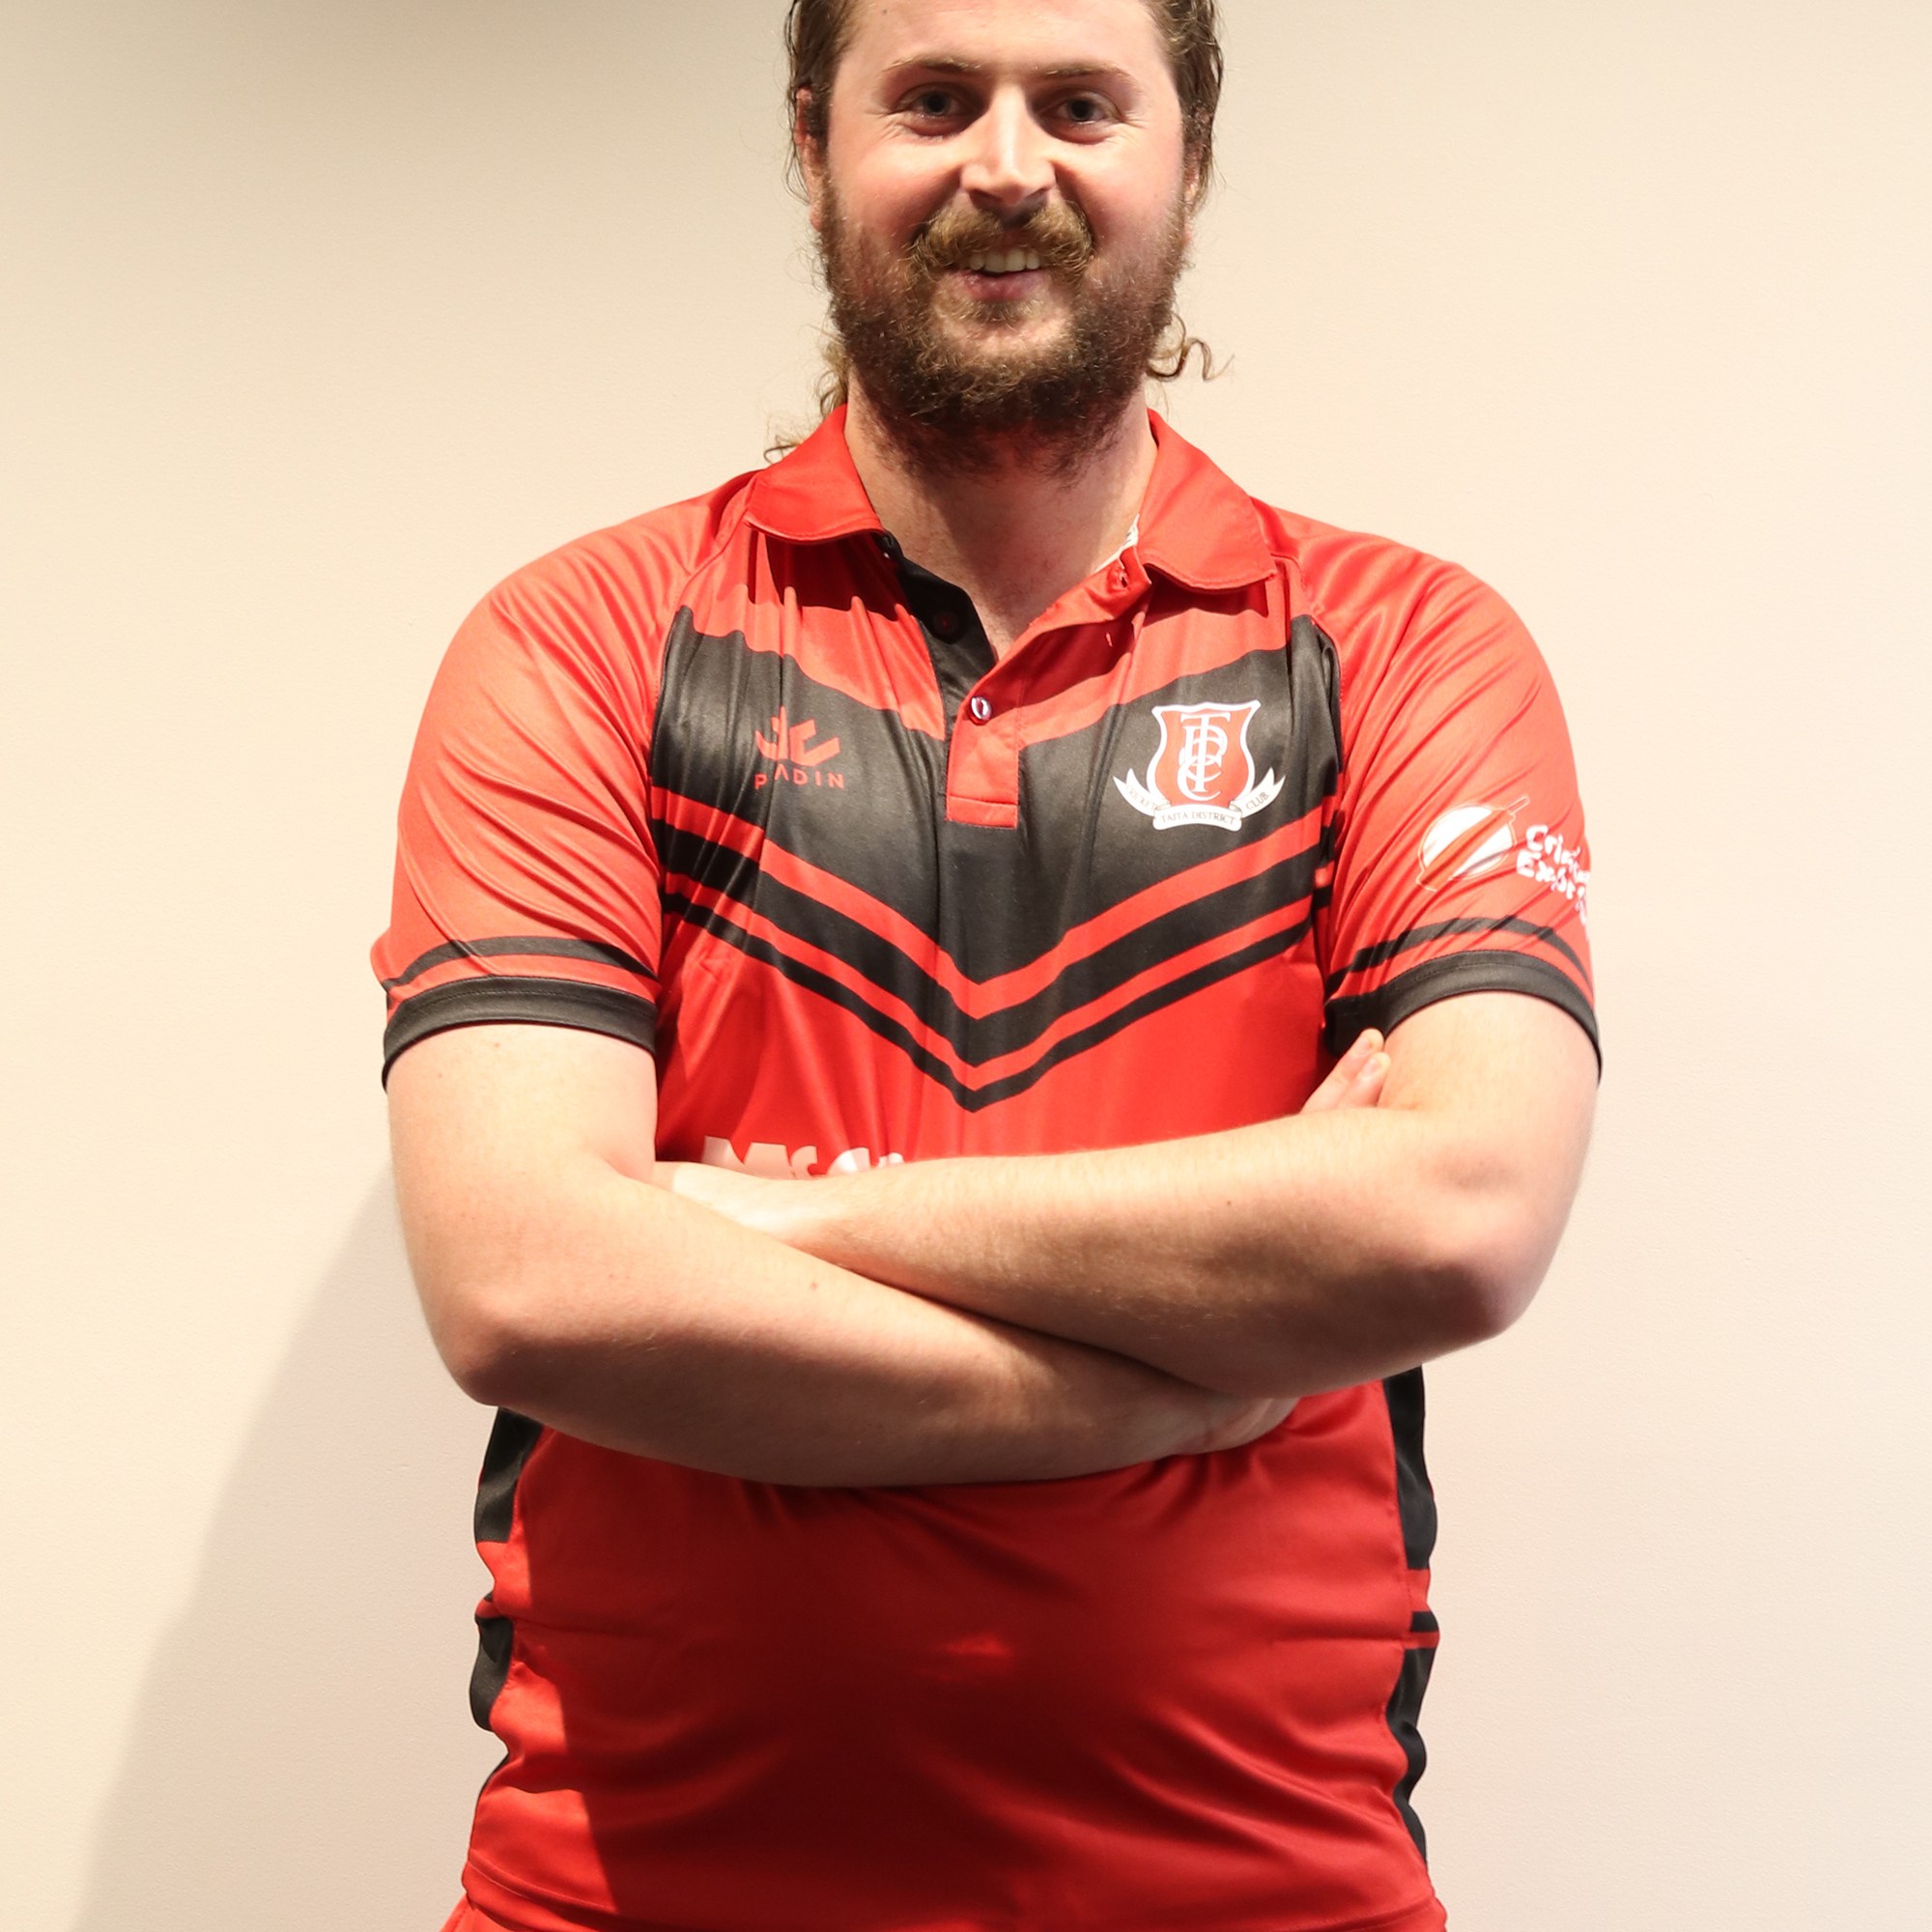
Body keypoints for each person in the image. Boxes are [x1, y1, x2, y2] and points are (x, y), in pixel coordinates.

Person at [373, 2, 1600, 1927]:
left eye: (1080, 103)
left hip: (1266, 1890)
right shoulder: (584, 641)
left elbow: (1459, 1221)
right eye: (934, 99)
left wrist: (755, 1219)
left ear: (1187, 150)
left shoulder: (1401, 648)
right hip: (635, 1889)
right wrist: (1169, 1387)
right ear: (813, 145)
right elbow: (526, 1280)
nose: (1006, 165)